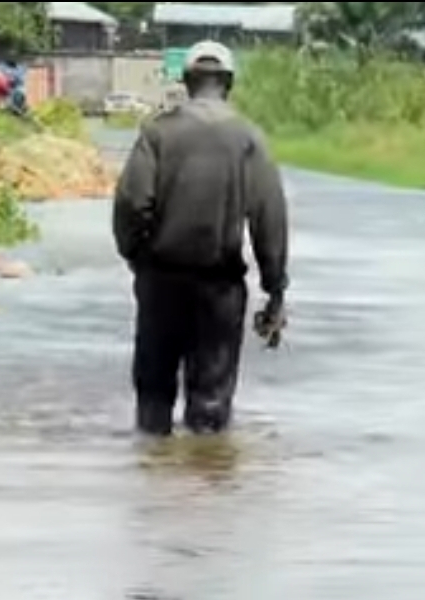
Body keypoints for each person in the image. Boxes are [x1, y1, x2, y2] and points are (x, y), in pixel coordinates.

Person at [112, 40, 289, 436]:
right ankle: (206, 485)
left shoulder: (157, 133)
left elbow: (130, 204)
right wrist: (275, 289)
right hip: (220, 288)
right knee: (211, 402)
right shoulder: (250, 139)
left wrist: (137, 257)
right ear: (229, 83)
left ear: (187, 81)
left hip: (161, 282)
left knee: (154, 397)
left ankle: (151, 483)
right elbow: (269, 219)